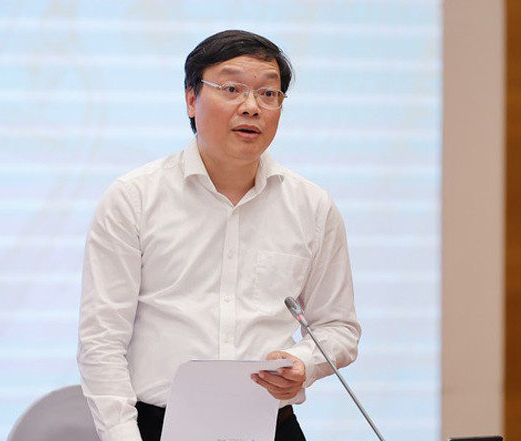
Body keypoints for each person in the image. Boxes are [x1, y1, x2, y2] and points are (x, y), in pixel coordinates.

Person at [77, 29, 361, 441]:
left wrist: (305, 362)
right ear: (191, 99)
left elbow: (338, 326)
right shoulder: (134, 198)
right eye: (232, 89)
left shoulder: (312, 206)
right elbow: (101, 340)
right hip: (158, 426)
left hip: (273, 426)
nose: (252, 107)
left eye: (268, 94)